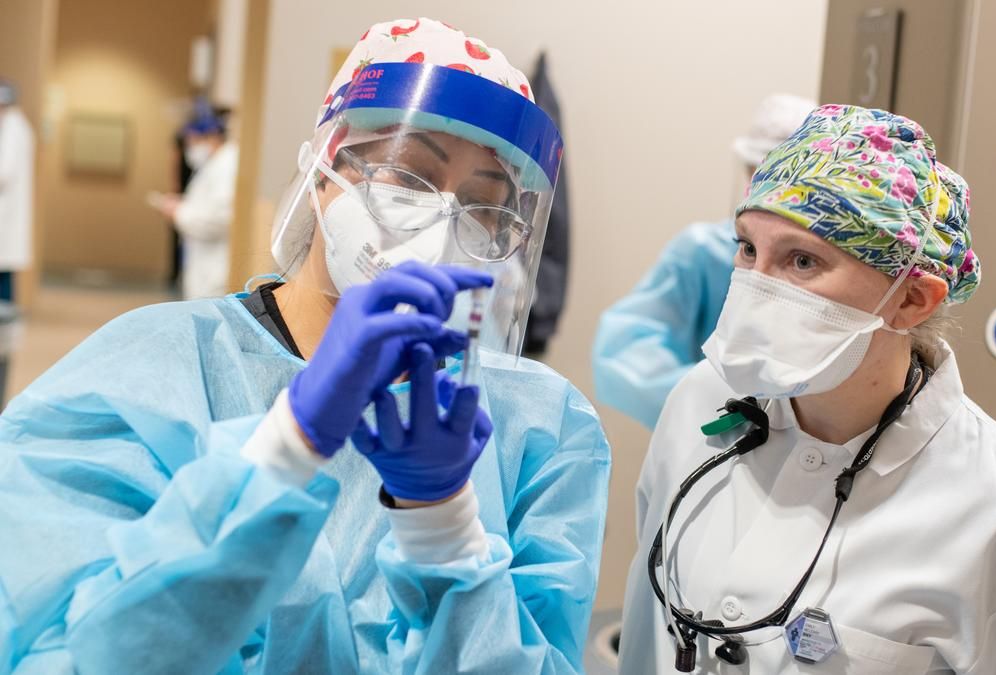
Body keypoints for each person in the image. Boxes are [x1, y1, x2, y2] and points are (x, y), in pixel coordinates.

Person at [0, 19, 610, 674]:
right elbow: (60, 655)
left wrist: (444, 526)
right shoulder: (151, 367)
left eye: (483, 206)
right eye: (409, 174)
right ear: (325, 170)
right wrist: (288, 443)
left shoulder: (539, 427)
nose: (441, 222)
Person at [620, 105, 996, 674]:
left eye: (803, 261)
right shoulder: (699, 401)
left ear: (911, 300)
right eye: (749, 249)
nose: (755, 288)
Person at [592, 94, 816, 429]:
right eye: (764, 175)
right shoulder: (705, 251)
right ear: (747, 172)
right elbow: (624, 356)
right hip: (716, 440)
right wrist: (718, 399)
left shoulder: (835, 268)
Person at [150, 113, 238, 299]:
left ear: (212, 135)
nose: (190, 149)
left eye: (193, 141)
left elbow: (218, 219)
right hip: (204, 267)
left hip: (214, 272)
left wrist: (178, 213)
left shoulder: (227, 165)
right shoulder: (213, 165)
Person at [0, 80, 33, 303]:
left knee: (3, 273)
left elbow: (4, 171)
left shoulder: (12, 128)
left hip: (6, 213)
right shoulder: (17, 126)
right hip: (7, 214)